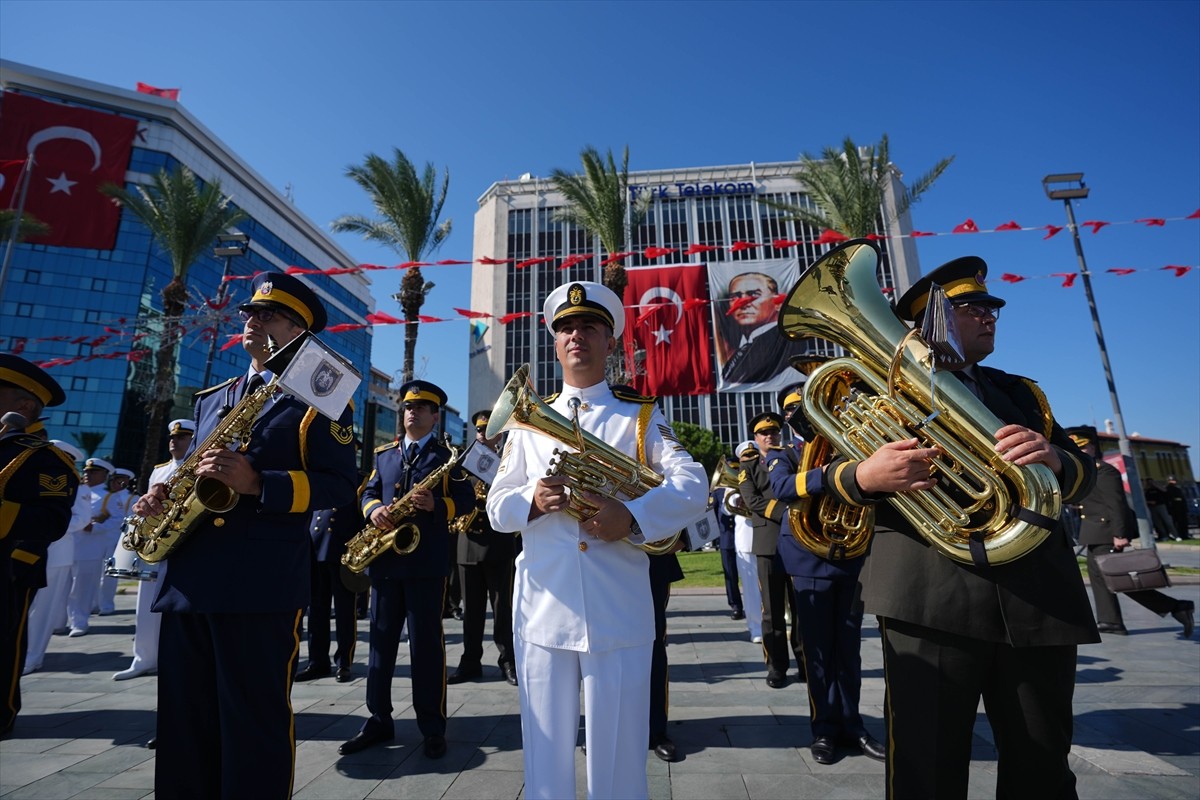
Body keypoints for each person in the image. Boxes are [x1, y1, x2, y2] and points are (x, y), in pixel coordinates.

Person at [828, 256, 1099, 799]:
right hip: (930, 600)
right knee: (925, 770)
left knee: (1042, 766)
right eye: (970, 307)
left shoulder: (1022, 393)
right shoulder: (872, 390)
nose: (989, 315)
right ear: (929, 320)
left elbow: (1082, 475)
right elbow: (819, 481)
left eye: (991, 306)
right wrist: (865, 474)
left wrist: (1055, 458)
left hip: (1037, 598)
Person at [136, 271, 358, 799]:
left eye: (269, 314)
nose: (253, 321)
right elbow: (196, 467)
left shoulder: (322, 394)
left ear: (298, 331)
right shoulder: (215, 397)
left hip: (259, 584)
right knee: (184, 723)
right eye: (250, 314)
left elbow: (339, 487)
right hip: (189, 576)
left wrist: (259, 483)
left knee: (252, 725)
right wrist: (163, 496)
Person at [486, 280, 706, 800]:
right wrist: (533, 502)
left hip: (618, 611)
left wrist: (629, 516)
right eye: (565, 328)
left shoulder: (641, 414)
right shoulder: (527, 424)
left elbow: (692, 484)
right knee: (544, 758)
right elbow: (498, 508)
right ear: (555, 343)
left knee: (621, 759)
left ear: (612, 344)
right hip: (543, 608)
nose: (575, 335)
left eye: (588, 327)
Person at [339, 380, 473, 759]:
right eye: (408, 407)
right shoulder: (384, 454)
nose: (412, 412)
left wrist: (438, 505)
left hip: (426, 565)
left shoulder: (449, 457)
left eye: (421, 407)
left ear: (435, 415)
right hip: (384, 564)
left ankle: (432, 725)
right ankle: (378, 719)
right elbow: (367, 492)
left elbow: (466, 503)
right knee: (380, 646)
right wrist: (372, 510)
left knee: (427, 649)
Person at [765, 382, 885, 765]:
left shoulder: (851, 450)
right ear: (789, 417)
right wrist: (834, 475)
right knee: (818, 648)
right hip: (808, 558)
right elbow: (781, 487)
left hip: (849, 555)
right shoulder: (785, 454)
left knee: (849, 650)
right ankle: (824, 728)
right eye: (798, 408)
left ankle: (853, 724)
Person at [0, 354, 78, 738]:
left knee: (2, 646)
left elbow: (52, 521)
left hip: (9, 568)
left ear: (24, 406)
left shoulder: (44, 459)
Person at [1067, 426, 1194, 638]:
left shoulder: (1103, 470)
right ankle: (1110, 621)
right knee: (1101, 578)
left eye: (1081, 448)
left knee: (1116, 578)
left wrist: (1120, 533)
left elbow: (1116, 503)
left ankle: (1177, 607)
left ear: (1090, 447)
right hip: (1094, 531)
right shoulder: (1086, 470)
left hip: (1106, 531)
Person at [113, 419, 194, 681]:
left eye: (182, 437)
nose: (174, 441)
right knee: (146, 603)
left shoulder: (197, 467)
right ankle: (143, 658)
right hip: (154, 541)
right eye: (173, 437)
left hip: (184, 539)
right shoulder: (159, 470)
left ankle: (172, 659)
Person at [448, 410, 517, 686]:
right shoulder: (463, 461)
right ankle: (470, 661)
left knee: (503, 609)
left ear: (498, 434)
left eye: (487, 430)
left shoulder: (509, 460)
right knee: (472, 611)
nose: (481, 435)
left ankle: (508, 660)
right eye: (478, 430)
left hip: (499, 542)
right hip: (469, 542)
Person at [737, 411, 795, 688]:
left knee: (803, 608)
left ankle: (806, 663)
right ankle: (776, 667)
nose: (770, 436)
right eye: (764, 433)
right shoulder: (747, 466)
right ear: (756, 438)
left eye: (774, 432)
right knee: (771, 611)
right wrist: (788, 513)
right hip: (768, 543)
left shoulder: (793, 457)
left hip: (799, 542)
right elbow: (753, 501)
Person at [23, 439, 89, 675]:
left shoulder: (79, 487)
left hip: (57, 553)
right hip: (25, 551)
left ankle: (32, 657)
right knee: (22, 607)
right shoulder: (32, 479)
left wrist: (48, 524)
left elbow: (82, 519)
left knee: (42, 609)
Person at [294, 500, 362, 683]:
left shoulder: (358, 482)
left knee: (344, 611)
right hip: (316, 549)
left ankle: (344, 662)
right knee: (316, 611)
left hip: (343, 551)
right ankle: (317, 662)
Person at [720, 271, 804, 385]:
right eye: (736, 296)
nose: (743, 303)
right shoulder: (745, 345)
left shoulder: (789, 342)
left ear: (777, 304)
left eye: (754, 294)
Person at [65, 456, 114, 636]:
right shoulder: (75, 490)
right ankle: (60, 621)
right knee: (64, 587)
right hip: (70, 544)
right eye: (86, 471)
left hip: (91, 546)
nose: (88, 474)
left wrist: (94, 527)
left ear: (104, 475)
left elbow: (117, 521)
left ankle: (80, 622)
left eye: (93, 471)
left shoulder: (109, 496)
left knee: (82, 588)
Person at [648, 546, 684, 763]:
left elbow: (700, 510)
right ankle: (604, 727)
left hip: (651, 557)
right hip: (596, 559)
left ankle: (656, 730)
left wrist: (684, 537)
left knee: (654, 646)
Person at [733, 441, 764, 643]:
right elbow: (728, 506)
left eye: (753, 455)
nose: (750, 459)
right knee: (752, 587)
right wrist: (740, 499)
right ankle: (756, 628)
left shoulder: (766, 474)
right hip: (747, 538)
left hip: (768, 536)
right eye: (746, 456)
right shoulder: (735, 479)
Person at [96, 466, 135, 616]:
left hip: (118, 540)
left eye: (119, 480)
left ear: (126, 481)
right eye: (113, 480)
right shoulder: (105, 495)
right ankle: (95, 604)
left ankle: (106, 605)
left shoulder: (132, 498)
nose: (114, 483)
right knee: (96, 573)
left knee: (110, 574)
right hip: (101, 538)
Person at [711, 456, 744, 620]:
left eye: (736, 469)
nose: (734, 472)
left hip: (744, 538)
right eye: (731, 470)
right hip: (726, 539)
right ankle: (736, 606)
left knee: (749, 574)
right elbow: (712, 512)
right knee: (730, 575)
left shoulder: (745, 489)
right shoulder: (718, 492)